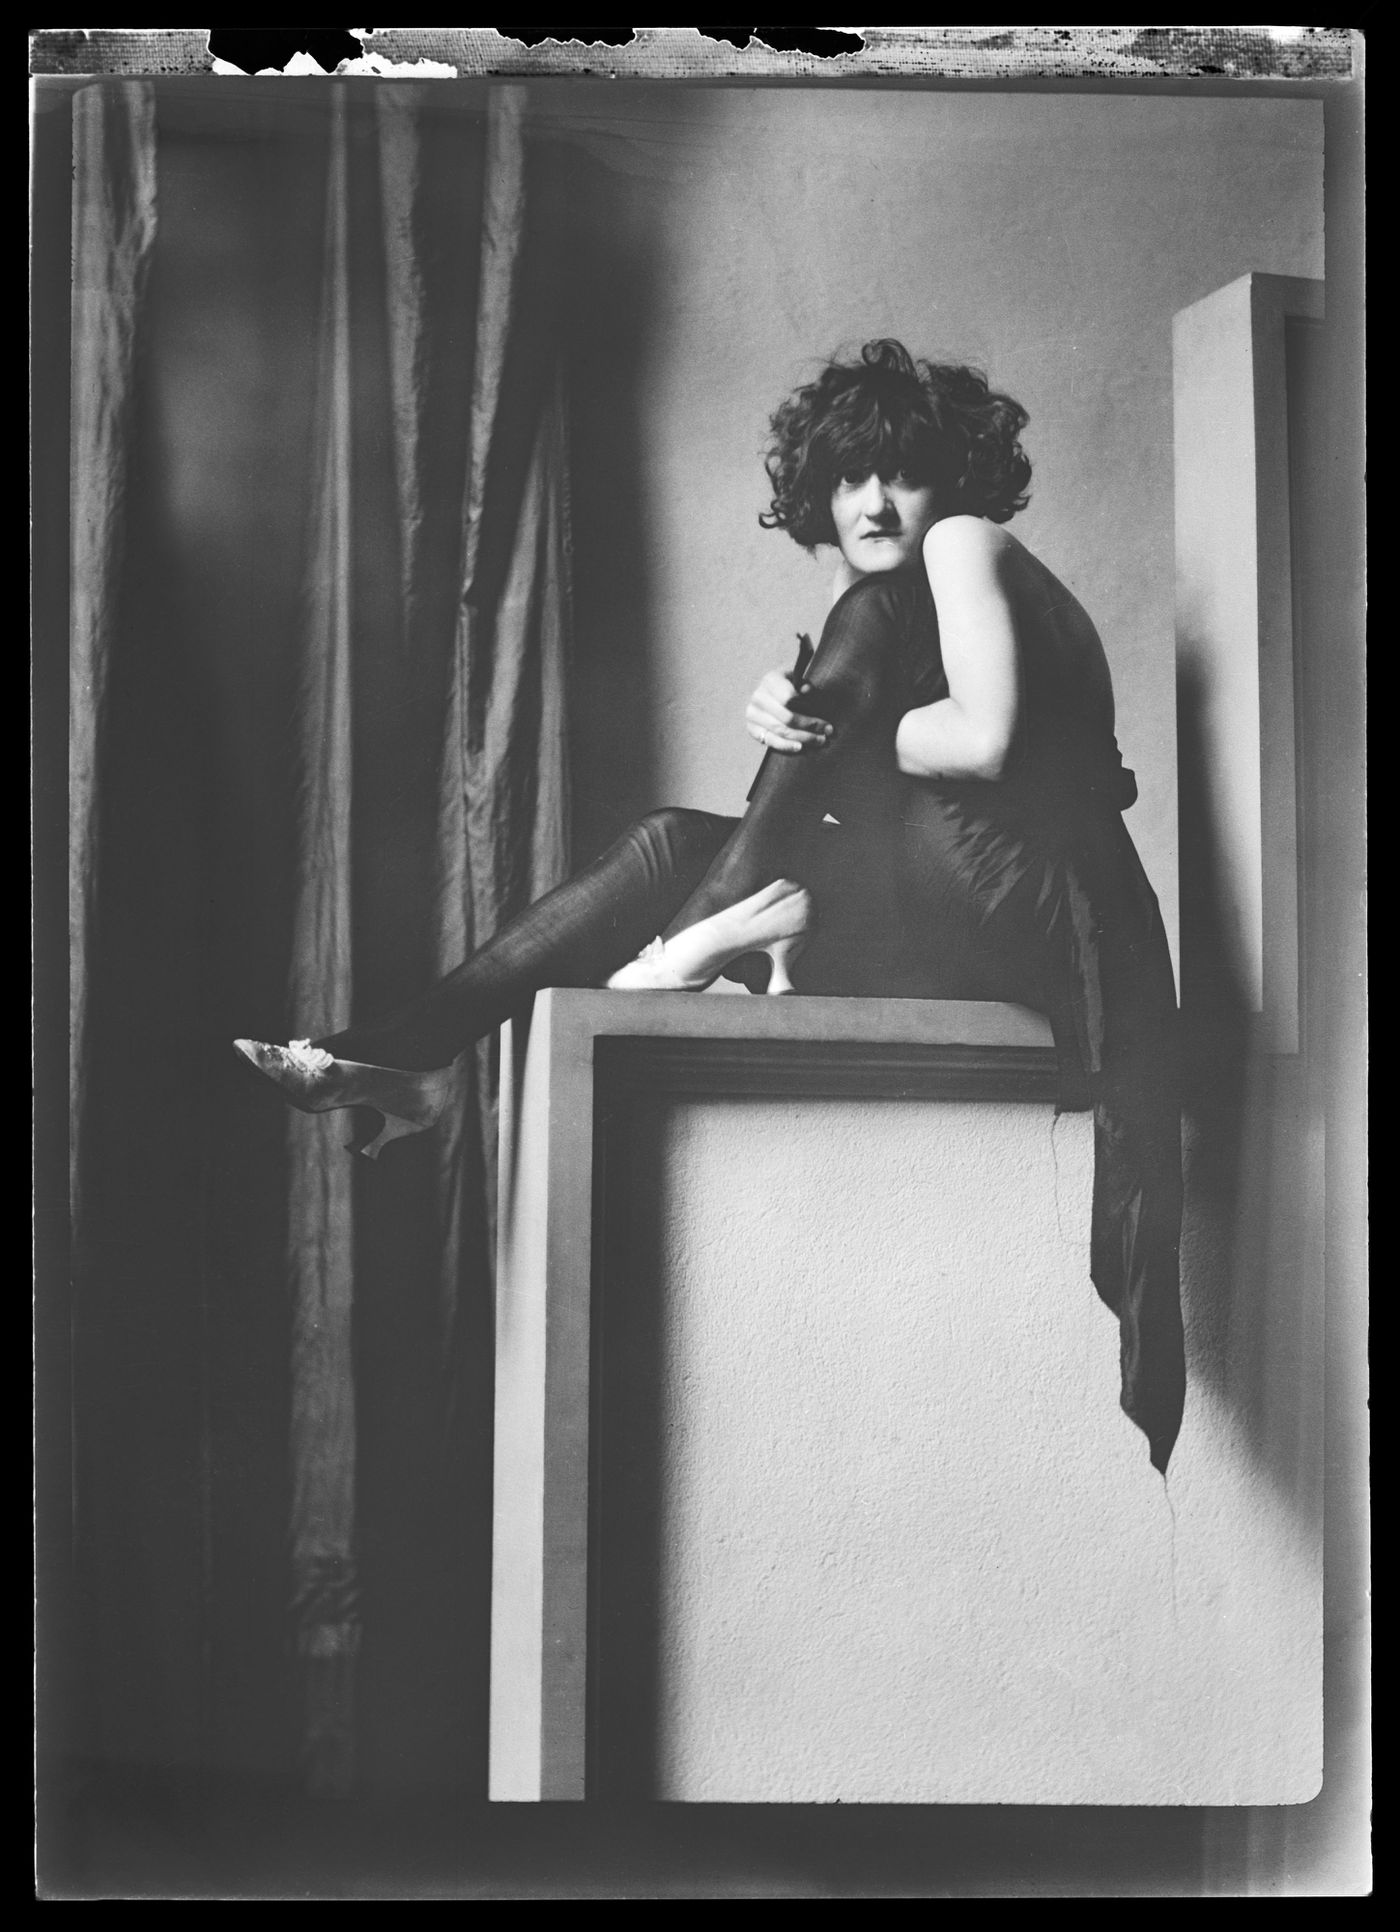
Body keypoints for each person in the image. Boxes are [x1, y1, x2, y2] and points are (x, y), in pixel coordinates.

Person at [237, 339, 1184, 1471]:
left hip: (1053, 916)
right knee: (663, 842)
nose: (874, 499)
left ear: (954, 479)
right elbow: (883, 747)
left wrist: (836, 730)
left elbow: (981, 743)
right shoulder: (886, 599)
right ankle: (419, 1054)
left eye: (901, 471)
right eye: (845, 477)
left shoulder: (963, 546)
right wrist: (808, 716)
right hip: (962, 904)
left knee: (804, 722)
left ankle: (691, 940)